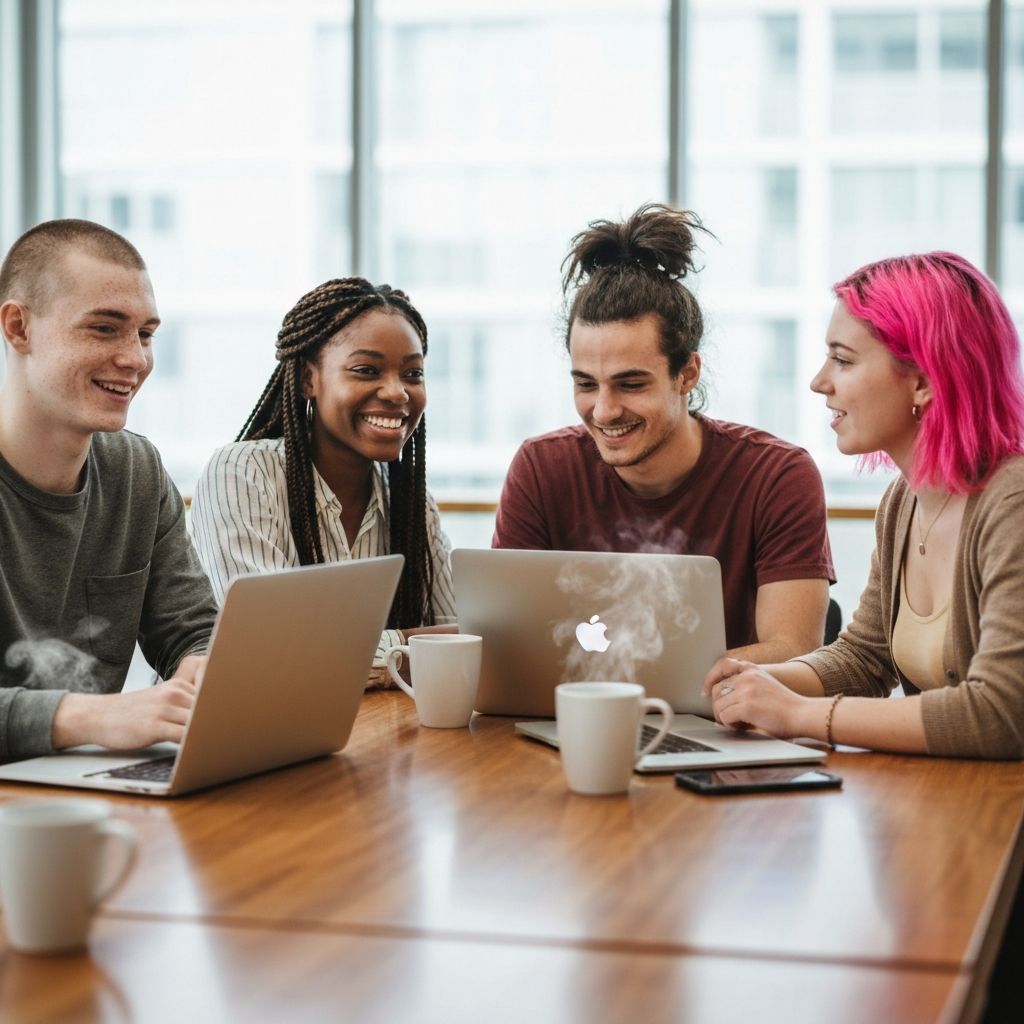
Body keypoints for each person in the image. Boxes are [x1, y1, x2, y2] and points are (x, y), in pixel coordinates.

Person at [704, 251, 1024, 758]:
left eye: (843, 360)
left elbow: (1003, 713)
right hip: (950, 800)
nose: (819, 382)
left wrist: (797, 714)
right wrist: (749, 680)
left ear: (924, 381)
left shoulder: (1013, 504)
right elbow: (864, 659)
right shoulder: (903, 501)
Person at [493, 203, 834, 660]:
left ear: (687, 373)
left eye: (631, 384)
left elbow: (793, 652)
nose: (604, 411)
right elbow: (509, 641)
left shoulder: (776, 476)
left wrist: (628, 680)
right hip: (570, 719)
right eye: (585, 384)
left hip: (726, 725)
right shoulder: (541, 468)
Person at [0, 219, 218, 759]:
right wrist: (88, 717)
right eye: (104, 328)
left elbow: (193, 629)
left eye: (145, 334)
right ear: (18, 328)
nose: (136, 359)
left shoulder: (136, 472)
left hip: (90, 792)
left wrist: (205, 666)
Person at [189, 278, 457, 685]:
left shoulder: (412, 503)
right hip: (243, 735)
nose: (397, 392)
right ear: (308, 379)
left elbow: (467, 643)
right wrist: (408, 650)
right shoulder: (243, 473)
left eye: (413, 373)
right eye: (366, 370)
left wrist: (352, 651)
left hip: (370, 731)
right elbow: (273, 646)